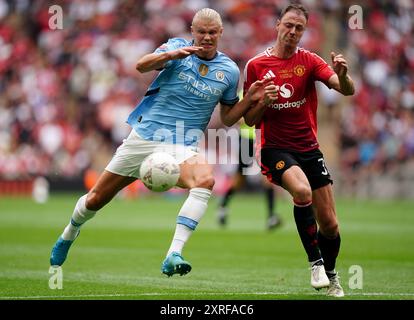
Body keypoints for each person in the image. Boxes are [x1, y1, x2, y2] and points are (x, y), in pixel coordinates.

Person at [49, 8, 270, 277]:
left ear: (221, 33)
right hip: (144, 135)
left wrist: (249, 100)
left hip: (182, 144)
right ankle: (68, 234)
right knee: (95, 199)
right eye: (202, 31)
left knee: (205, 180)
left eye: (213, 32)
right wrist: (170, 56)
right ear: (193, 31)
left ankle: (173, 254)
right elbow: (141, 65)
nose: (207, 37)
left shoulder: (229, 71)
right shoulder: (177, 47)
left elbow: (227, 118)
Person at [243, 4, 354, 297]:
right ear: (277, 24)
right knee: (302, 192)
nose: (293, 32)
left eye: (299, 28)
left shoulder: (310, 61)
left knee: (330, 224)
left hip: (309, 149)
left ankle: (332, 276)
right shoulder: (256, 65)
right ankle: (314, 262)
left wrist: (342, 75)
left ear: (304, 31)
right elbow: (249, 120)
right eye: (288, 25)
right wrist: (264, 102)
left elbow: (347, 90)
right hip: (276, 149)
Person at [217, 119, 282, 230]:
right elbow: (237, 119)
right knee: (240, 177)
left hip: (264, 139)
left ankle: (271, 216)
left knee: (268, 176)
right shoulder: (244, 100)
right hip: (247, 139)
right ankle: (223, 206)